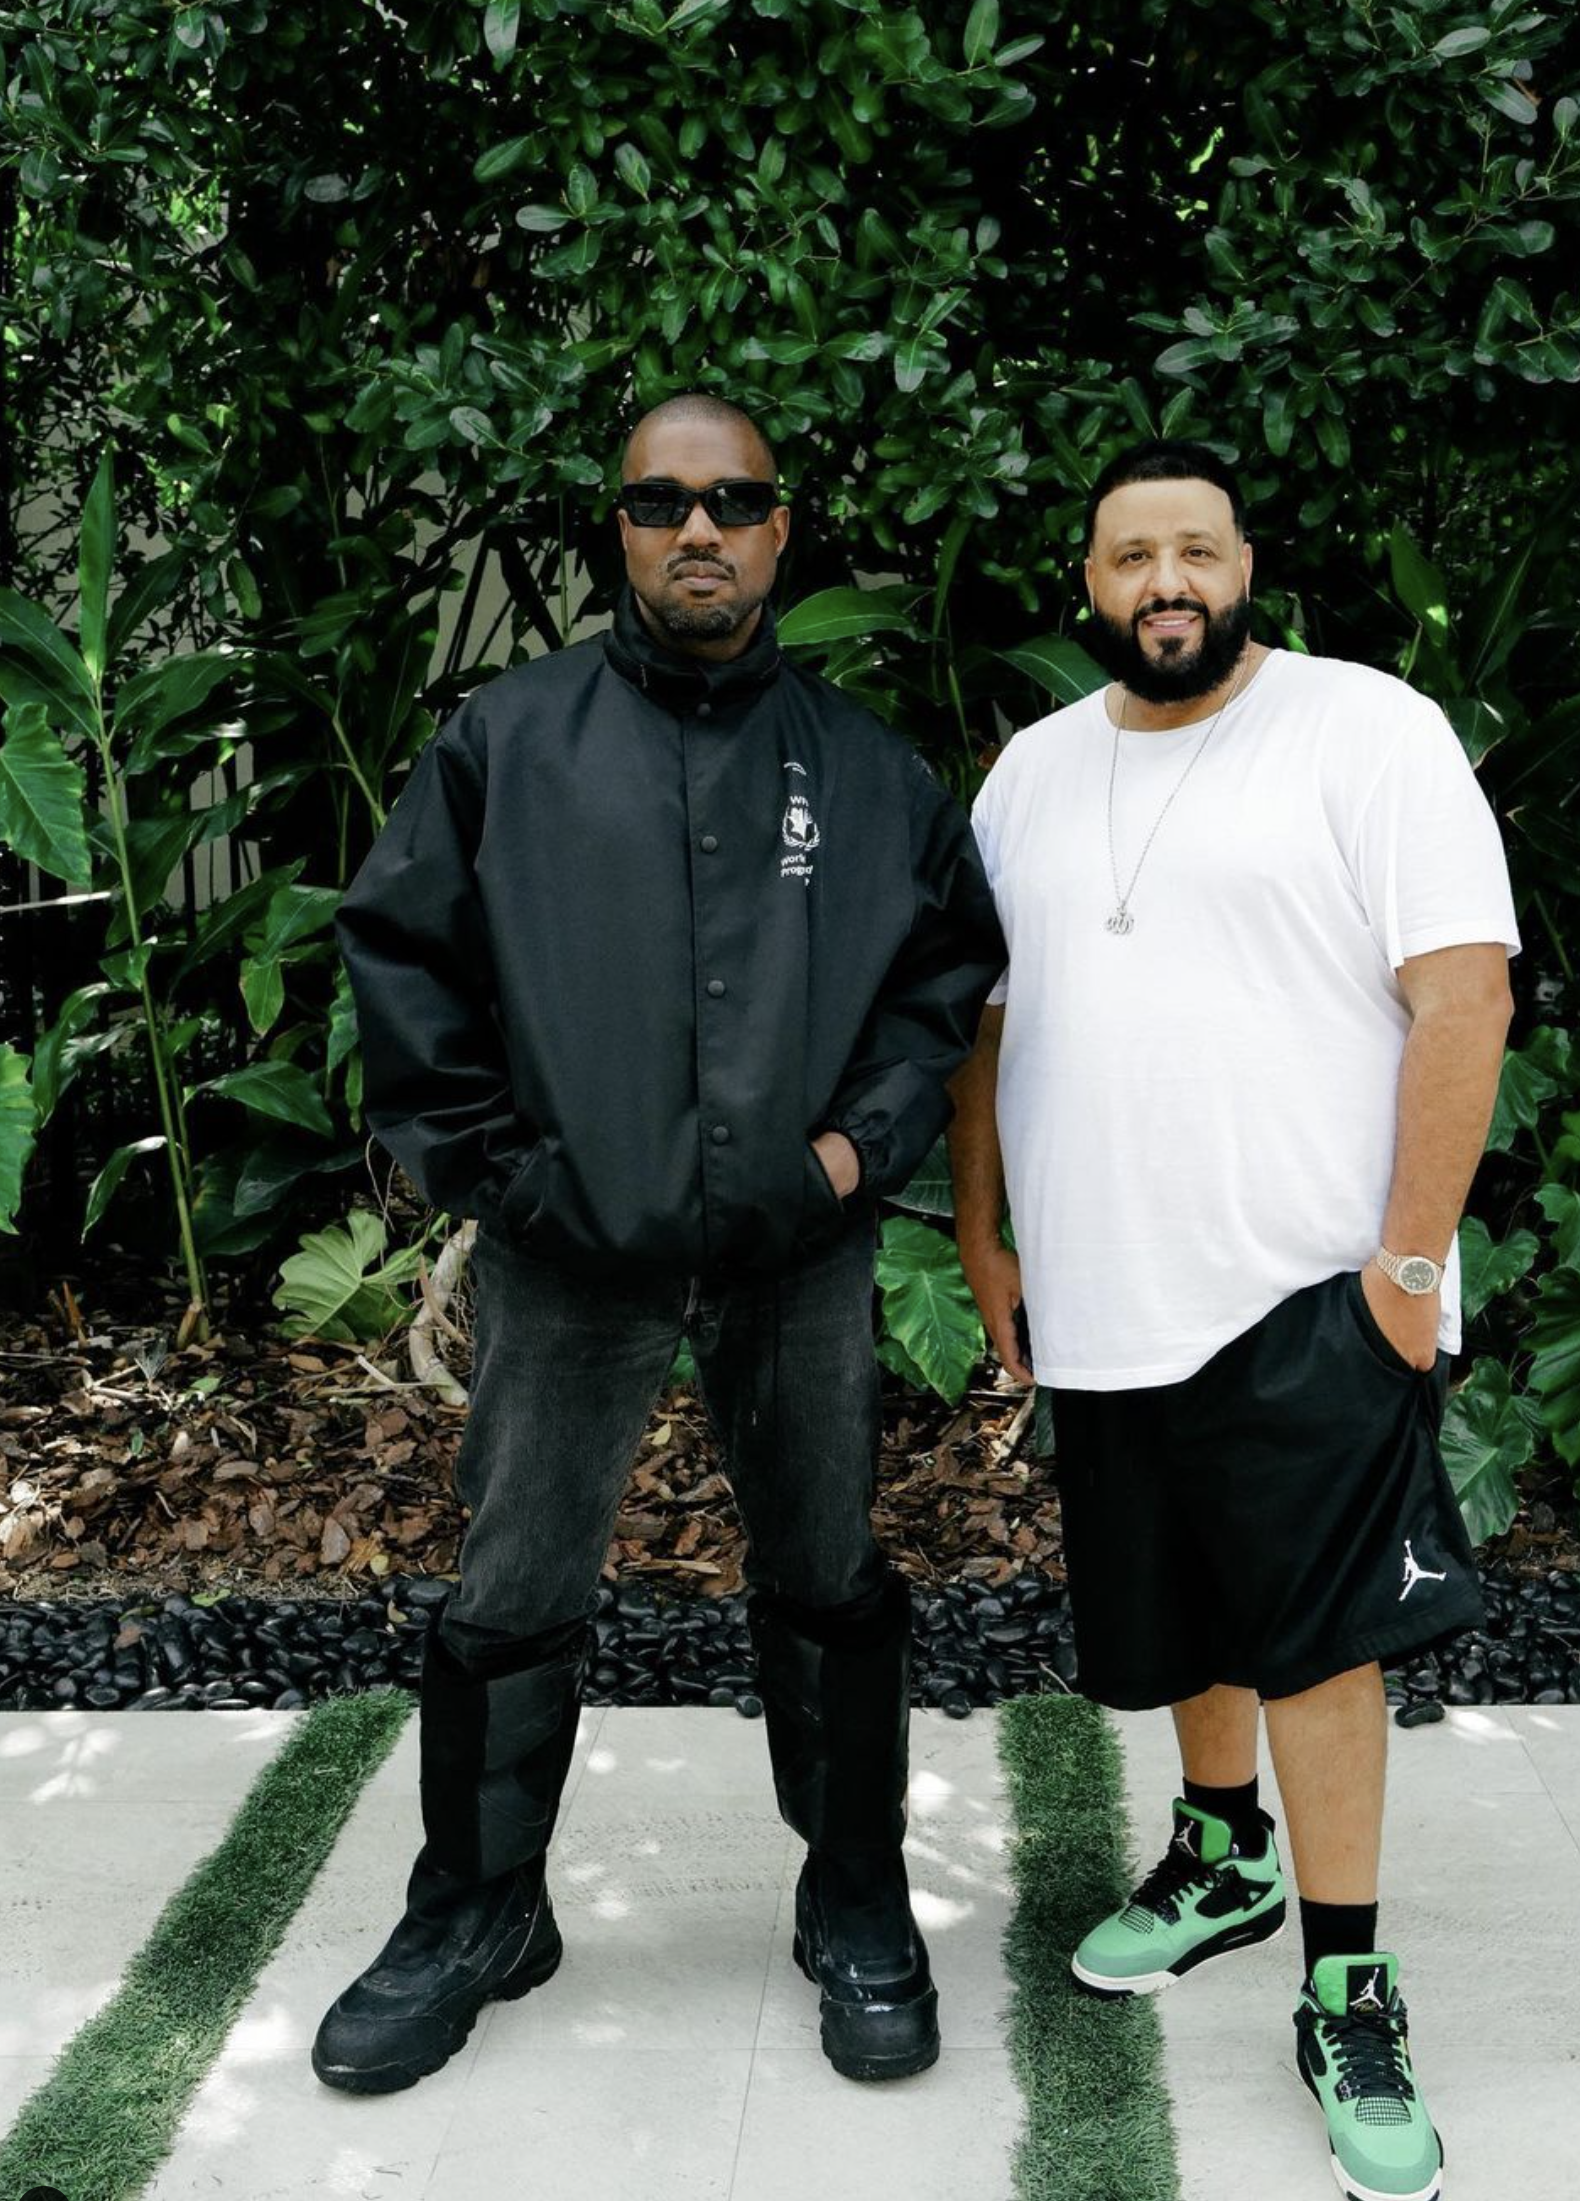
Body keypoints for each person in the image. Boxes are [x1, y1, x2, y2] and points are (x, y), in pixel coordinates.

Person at [318, 392, 1004, 2095]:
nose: (698, 529)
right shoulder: (506, 745)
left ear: (780, 530)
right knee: (513, 1584)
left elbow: (941, 980)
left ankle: (853, 1893)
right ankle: (479, 1907)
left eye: (733, 500)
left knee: (827, 1574)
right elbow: (403, 961)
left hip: (794, 1247)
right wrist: (510, 1177)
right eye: (660, 502)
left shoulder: (864, 770)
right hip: (570, 1250)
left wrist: (849, 1155)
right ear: (618, 528)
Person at [948, 439, 1517, 2201]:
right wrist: (980, 1231)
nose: (1165, 583)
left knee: (1317, 1646)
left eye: (1195, 550)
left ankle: (1345, 1985)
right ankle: (1219, 1856)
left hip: (1309, 1286)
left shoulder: (1365, 729)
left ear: (1244, 566)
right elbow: (986, 1019)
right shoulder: (1030, 774)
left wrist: (1405, 1268)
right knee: (1179, 1607)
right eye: (1132, 556)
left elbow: (1463, 995)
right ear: (1090, 583)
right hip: (1105, 1287)